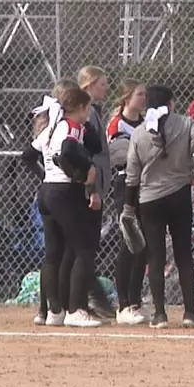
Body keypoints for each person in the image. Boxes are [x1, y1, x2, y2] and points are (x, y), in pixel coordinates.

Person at [124, 85, 194, 328]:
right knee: (183, 254)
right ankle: (189, 312)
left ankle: (160, 314)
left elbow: (132, 176)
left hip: (149, 199)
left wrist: (128, 208)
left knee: (155, 256)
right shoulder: (186, 124)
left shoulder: (140, 132)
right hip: (179, 194)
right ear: (171, 103)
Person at [35, 86, 103, 327]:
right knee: (83, 249)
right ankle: (75, 309)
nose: (89, 114)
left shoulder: (51, 127)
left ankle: (54, 310)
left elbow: (29, 154)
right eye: (87, 109)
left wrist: (48, 174)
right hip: (64, 191)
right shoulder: (71, 126)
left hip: (46, 190)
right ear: (81, 108)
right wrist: (82, 171)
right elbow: (68, 151)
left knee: (54, 251)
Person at [106, 79, 151, 324]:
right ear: (127, 98)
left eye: (145, 95)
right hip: (126, 186)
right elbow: (119, 156)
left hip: (147, 185)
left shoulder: (147, 123)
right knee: (129, 243)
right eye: (139, 95)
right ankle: (123, 304)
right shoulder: (117, 125)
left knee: (143, 247)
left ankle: (135, 301)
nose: (143, 99)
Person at [78, 66, 115, 318]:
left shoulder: (94, 112)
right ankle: (84, 300)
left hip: (96, 184)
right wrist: (91, 188)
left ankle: (86, 299)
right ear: (89, 85)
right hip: (87, 188)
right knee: (83, 247)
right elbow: (85, 153)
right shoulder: (86, 114)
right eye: (102, 84)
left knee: (88, 246)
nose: (106, 88)